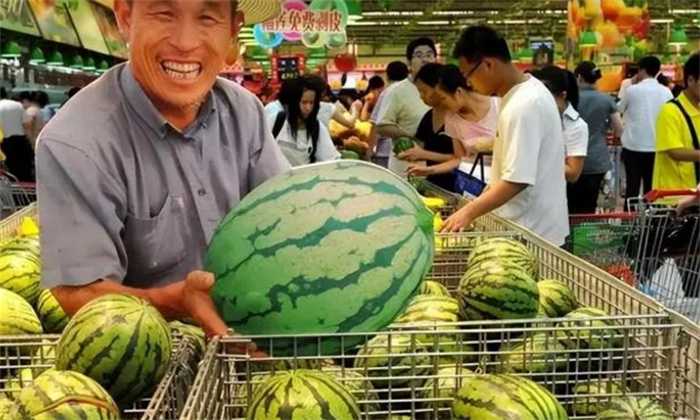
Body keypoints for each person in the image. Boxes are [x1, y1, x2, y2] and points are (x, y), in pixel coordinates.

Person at [36, 0, 288, 338]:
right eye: (164, 13)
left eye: (207, 17)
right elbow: (79, 293)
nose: (185, 42)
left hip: (256, 339)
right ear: (125, 17)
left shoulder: (244, 112)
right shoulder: (75, 140)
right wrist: (175, 302)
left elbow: (289, 225)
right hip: (147, 357)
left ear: (232, 29)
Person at [443, 26, 569, 247]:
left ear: (488, 64)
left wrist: (468, 213)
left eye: (467, 75)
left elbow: (516, 180)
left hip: (530, 235)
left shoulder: (523, 105)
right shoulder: (525, 93)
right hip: (531, 228)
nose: (468, 83)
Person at [533, 66, 592, 214]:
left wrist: (533, 159)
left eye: (547, 97)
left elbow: (573, 173)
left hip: (560, 198)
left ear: (563, 95)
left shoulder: (576, 126)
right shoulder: (536, 117)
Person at [374, 37, 435, 176]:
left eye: (429, 55)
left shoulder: (443, 88)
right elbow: (382, 126)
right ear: (409, 62)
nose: (425, 60)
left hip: (439, 169)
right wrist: (414, 137)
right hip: (406, 169)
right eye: (419, 55)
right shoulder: (396, 91)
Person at [618, 56, 673, 201]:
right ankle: (650, 214)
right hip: (656, 146)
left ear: (641, 70)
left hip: (633, 146)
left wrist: (630, 83)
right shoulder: (666, 92)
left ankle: (630, 215)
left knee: (632, 188)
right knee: (652, 188)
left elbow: (619, 108)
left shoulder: (632, 90)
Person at [573, 61, 624, 213]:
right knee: (590, 205)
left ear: (579, 77)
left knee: (571, 207)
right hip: (597, 160)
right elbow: (619, 129)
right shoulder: (606, 100)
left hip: (571, 160)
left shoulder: (570, 100)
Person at [400, 63, 456, 191]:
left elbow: (462, 160)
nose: (421, 96)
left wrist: (425, 155)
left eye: (424, 91)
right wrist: (412, 154)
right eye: (419, 92)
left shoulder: (457, 117)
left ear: (439, 88)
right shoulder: (428, 117)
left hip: (456, 187)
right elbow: (422, 147)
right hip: (434, 186)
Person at [653, 53, 700, 190]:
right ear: (690, 80)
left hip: (694, 193)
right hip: (672, 195)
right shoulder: (670, 111)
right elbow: (675, 152)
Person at [270, 76, 339, 166]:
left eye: (311, 103)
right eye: (304, 102)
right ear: (294, 102)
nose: (308, 108)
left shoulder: (317, 128)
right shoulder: (276, 121)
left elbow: (329, 159)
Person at [368, 61, 409, 168]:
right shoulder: (413, 92)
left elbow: (376, 124)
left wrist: (370, 150)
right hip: (409, 151)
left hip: (385, 153)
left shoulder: (387, 93)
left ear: (387, 76)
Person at [0, 87, 34, 181]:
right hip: (20, 141)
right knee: (24, 171)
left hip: (3, 143)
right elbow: (27, 124)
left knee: (8, 174)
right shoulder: (17, 105)